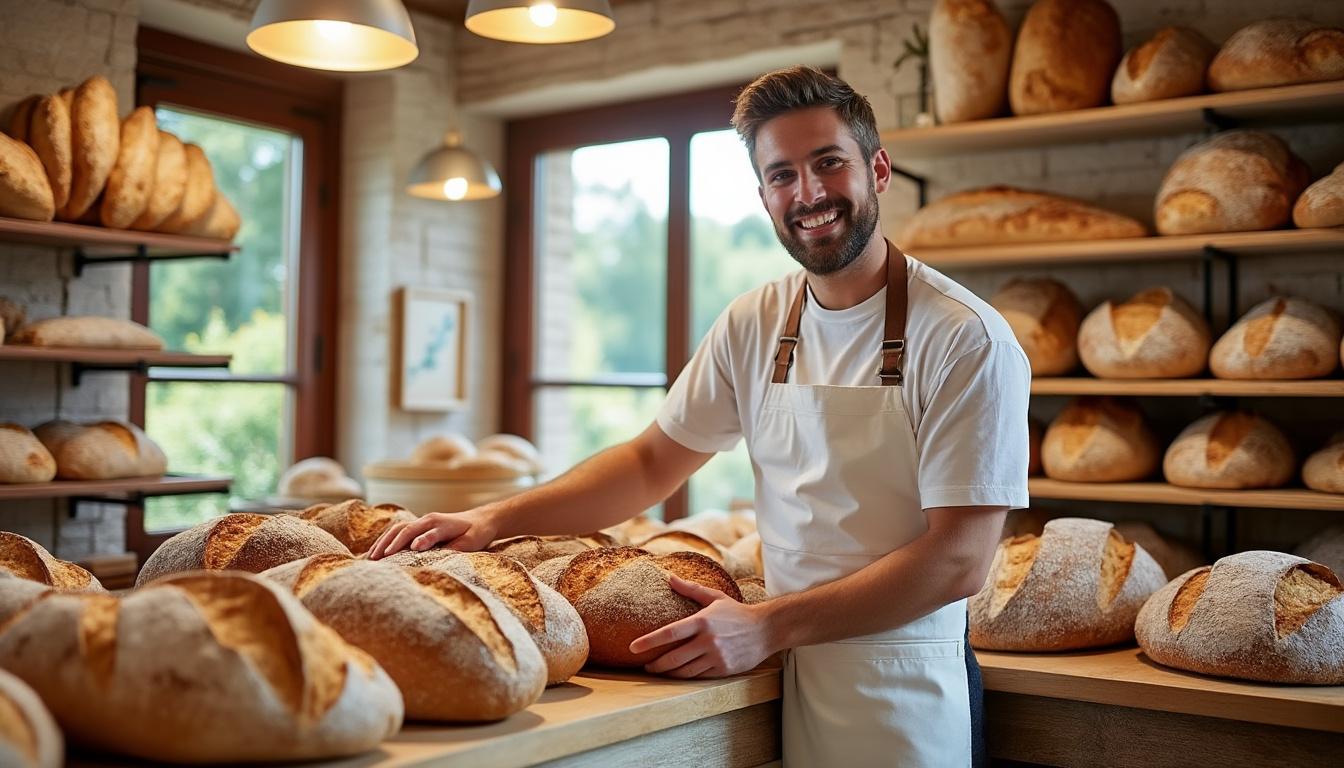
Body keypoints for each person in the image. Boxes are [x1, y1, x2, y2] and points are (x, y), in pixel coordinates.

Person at [370, 66, 1030, 767]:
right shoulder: (755, 321)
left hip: (907, 683)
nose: (808, 194)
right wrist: (493, 519)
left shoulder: (965, 338)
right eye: (782, 175)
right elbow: (650, 462)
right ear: (763, 195)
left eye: (828, 163)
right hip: (785, 671)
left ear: (879, 170)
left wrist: (768, 626)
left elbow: (958, 559)